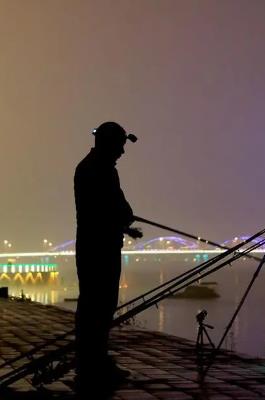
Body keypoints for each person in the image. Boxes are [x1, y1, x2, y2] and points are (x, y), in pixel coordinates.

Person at [73, 121, 142, 391]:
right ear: (108, 144)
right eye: (121, 145)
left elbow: (107, 210)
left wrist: (126, 227)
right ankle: (93, 364)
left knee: (97, 305)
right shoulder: (97, 171)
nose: (123, 152)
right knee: (98, 306)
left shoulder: (94, 168)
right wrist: (124, 219)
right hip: (98, 249)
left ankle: (92, 360)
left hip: (99, 245)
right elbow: (106, 210)